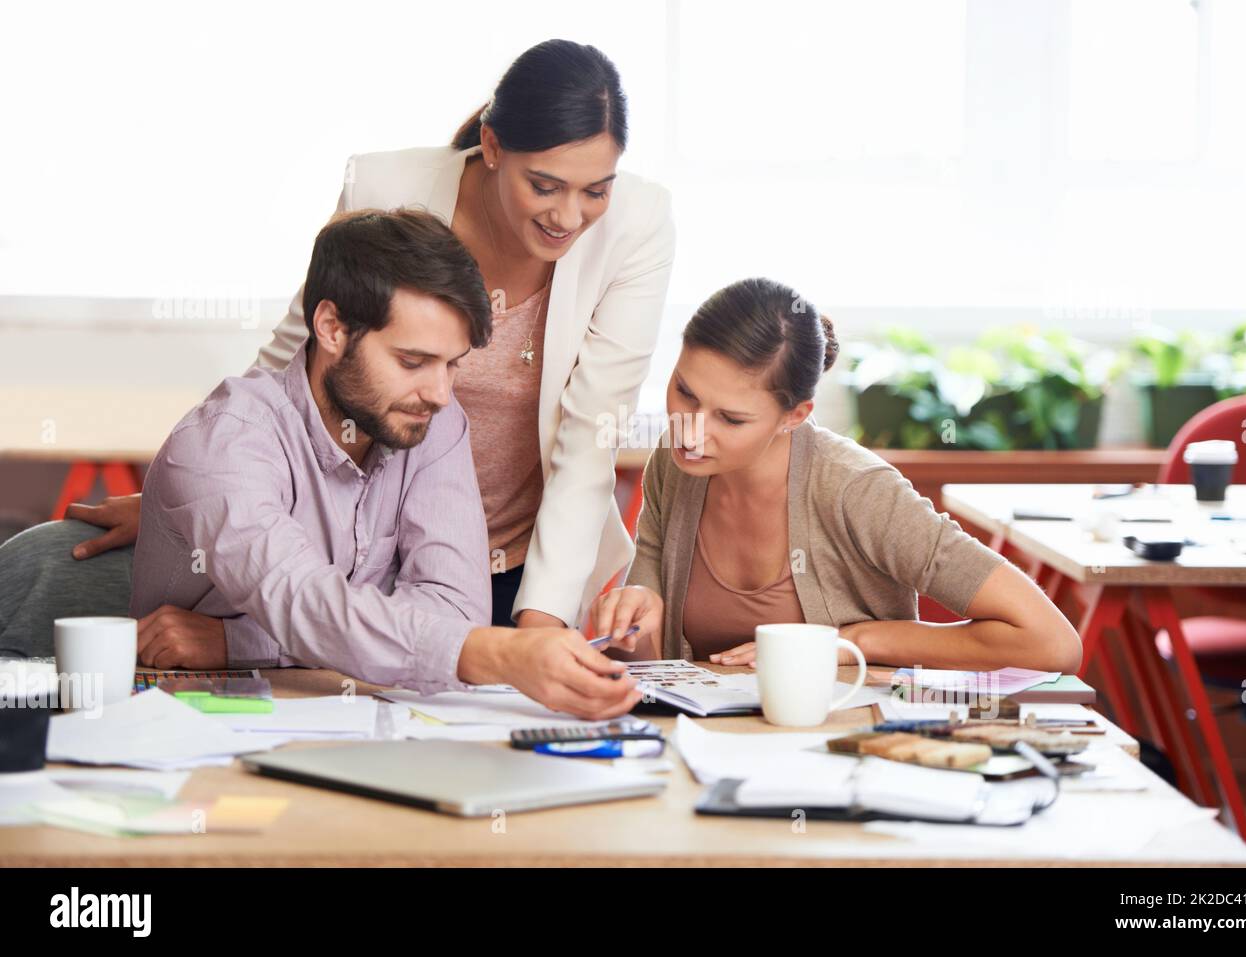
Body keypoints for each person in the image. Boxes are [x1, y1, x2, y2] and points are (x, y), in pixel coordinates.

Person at [64, 39, 675, 632]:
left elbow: (591, 430)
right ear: (491, 146)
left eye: (595, 190)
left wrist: (540, 628)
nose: (568, 216)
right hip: (358, 547)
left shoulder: (635, 227)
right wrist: (206, 501)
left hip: (520, 564)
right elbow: (294, 356)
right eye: (544, 186)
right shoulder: (386, 190)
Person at [126, 208, 640, 719]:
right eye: (412, 362)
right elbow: (302, 601)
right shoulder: (225, 443)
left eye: (453, 364)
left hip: (349, 715)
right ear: (331, 327)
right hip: (202, 724)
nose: (440, 393)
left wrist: (239, 639)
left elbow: (455, 611)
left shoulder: (432, 420)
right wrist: (501, 653)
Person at [591, 278, 1083, 674]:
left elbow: (1051, 642)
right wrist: (633, 623)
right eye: (685, 392)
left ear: (794, 415)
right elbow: (654, 664)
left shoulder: (857, 490)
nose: (692, 433)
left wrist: (851, 643)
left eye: (731, 419)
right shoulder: (675, 469)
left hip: (845, 753)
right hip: (708, 756)